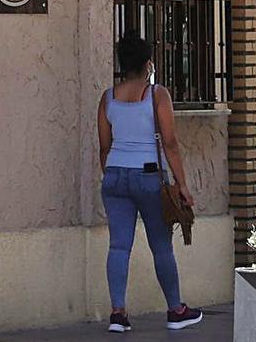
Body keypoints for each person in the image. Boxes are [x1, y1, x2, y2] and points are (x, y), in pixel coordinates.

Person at [96, 34, 202, 333]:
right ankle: (175, 309)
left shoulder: (107, 98)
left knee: (118, 246)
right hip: (149, 176)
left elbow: (104, 147)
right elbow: (170, 143)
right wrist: (182, 185)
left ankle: (118, 314)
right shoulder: (157, 95)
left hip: (115, 175)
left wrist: (114, 174)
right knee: (161, 246)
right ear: (147, 63)